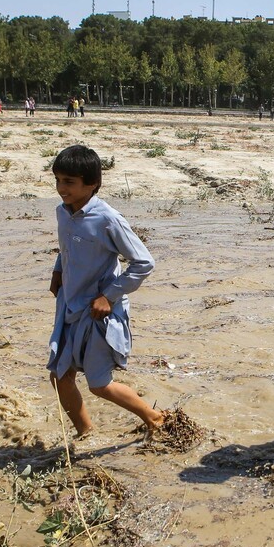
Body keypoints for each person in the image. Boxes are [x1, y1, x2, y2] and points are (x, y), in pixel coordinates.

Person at [47, 144, 166, 439]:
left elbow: (144, 262)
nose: (62, 188)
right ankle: (85, 434)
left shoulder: (108, 219)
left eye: (69, 182)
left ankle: (155, 419)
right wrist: (58, 270)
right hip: (69, 307)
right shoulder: (64, 213)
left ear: (93, 184)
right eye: (58, 180)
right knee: (60, 377)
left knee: (99, 385)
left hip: (98, 314)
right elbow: (66, 247)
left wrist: (108, 296)